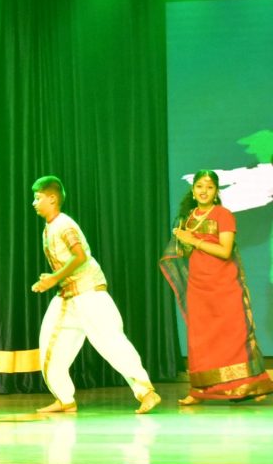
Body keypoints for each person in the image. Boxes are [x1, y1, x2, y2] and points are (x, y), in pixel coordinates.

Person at [30, 176, 160, 414]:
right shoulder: (49, 227)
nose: (34, 203)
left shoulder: (64, 224)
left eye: (38, 198)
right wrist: (54, 280)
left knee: (111, 341)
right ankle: (64, 399)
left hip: (89, 292)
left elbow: (80, 256)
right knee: (50, 344)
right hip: (68, 296)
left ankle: (147, 392)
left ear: (52, 198)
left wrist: (54, 278)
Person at [161, 169, 273, 404]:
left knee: (233, 336)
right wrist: (181, 242)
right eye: (199, 186)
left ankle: (249, 386)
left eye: (209, 187)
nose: (204, 191)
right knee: (200, 338)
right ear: (193, 191)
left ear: (216, 191)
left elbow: (224, 251)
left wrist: (193, 240)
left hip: (224, 285)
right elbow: (188, 253)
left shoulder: (223, 215)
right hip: (198, 285)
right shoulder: (188, 218)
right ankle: (199, 390)